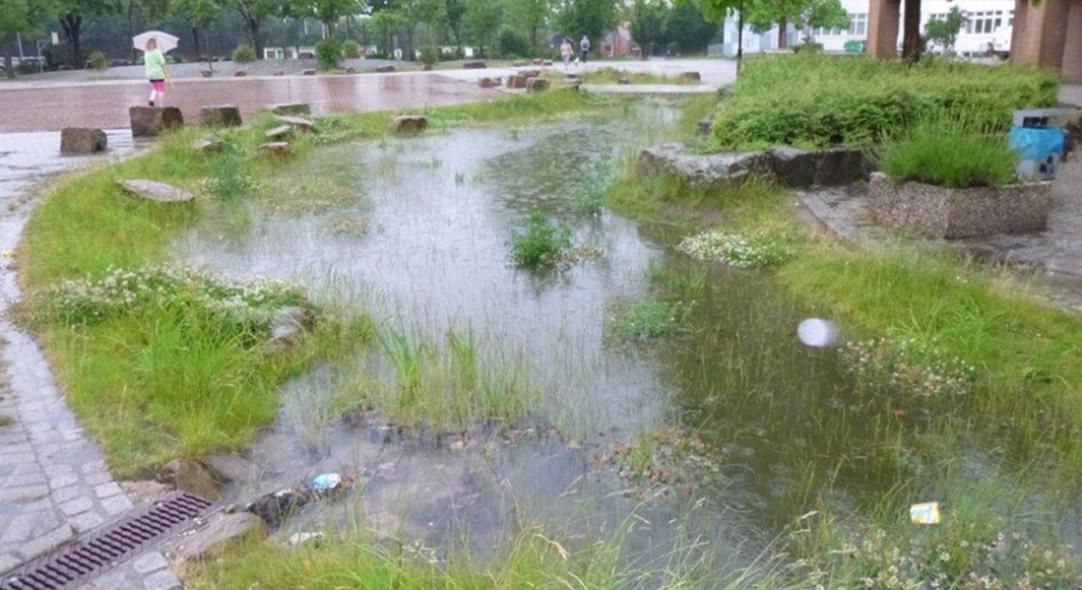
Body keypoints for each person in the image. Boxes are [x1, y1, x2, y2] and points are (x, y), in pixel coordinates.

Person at [143, 37, 170, 107]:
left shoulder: (146, 53)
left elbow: (147, 64)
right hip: (158, 74)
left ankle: (151, 100)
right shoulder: (157, 52)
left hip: (150, 75)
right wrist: (166, 71)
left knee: (155, 88)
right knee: (161, 89)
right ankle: (161, 105)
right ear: (155, 44)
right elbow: (163, 62)